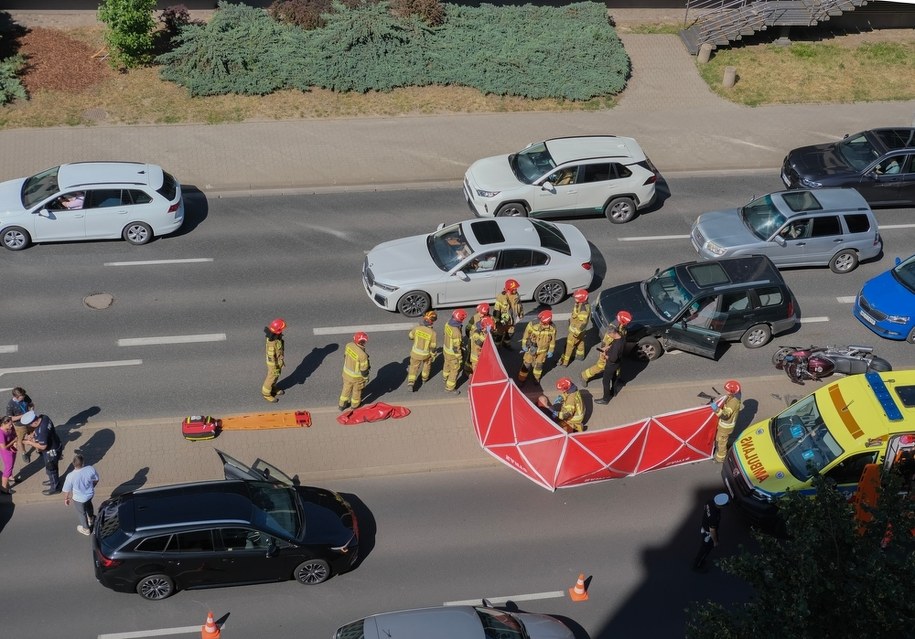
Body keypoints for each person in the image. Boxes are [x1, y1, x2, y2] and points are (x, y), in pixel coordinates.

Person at [581, 310, 631, 388]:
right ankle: (584, 376)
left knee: (618, 366)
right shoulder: (613, 329)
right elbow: (606, 344)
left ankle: (617, 379)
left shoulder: (622, 326)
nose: (628, 324)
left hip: (616, 351)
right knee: (601, 366)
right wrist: (605, 354)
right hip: (608, 351)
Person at [21, 410, 63, 495]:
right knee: (52, 468)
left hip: (51, 451)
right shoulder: (44, 417)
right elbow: (37, 430)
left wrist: (29, 442)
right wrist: (32, 435)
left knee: (51, 469)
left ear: (34, 422)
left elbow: (43, 446)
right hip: (56, 444)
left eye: (30, 425)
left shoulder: (42, 431)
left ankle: (55, 488)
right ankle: (53, 480)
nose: (30, 426)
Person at [62, 453, 99, 535]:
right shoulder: (90, 469)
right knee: (89, 505)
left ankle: (86, 529)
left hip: (78, 499)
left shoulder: (70, 476)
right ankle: (91, 518)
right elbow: (96, 479)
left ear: (73, 464)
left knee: (81, 513)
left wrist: (66, 499)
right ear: (83, 463)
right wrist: (93, 486)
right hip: (89, 495)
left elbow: (66, 490)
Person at [517, 310, 557, 385]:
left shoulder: (552, 328)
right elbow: (526, 335)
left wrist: (551, 350)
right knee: (526, 364)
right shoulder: (533, 324)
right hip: (531, 349)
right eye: (540, 320)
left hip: (542, 351)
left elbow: (552, 341)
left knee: (539, 366)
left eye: (542, 322)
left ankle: (536, 378)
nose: (540, 322)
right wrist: (524, 345)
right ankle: (521, 379)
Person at [693, 493, 729, 571]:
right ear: (720, 505)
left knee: (703, 547)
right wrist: (715, 542)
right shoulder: (714, 516)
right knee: (705, 549)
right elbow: (712, 530)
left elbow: (705, 508)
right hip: (708, 533)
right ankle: (697, 565)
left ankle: (698, 561)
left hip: (704, 526)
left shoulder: (710, 501)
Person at [592, 323, 626, 405]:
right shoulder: (621, 338)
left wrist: (605, 355)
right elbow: (613, 346)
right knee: (614, 377)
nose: (609, 336)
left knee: (605, 381)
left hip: (611, 365)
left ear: (613, 333)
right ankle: (613, 392)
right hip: (618, 364)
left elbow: (613, 358)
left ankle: (605, 399)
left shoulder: (617, 345)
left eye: (609, 334)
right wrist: (607, 348)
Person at [711, 380, 742, 463]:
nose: (726, 391)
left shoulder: (733, 402)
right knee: (719, 441)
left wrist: (716, 409)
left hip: (725, 427)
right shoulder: (733, 397)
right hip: (724, 426)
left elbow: (725, 415)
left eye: (727, 390)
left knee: (721, 443)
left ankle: (720, 458)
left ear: (732, 392)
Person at [558, 289, 591, 366]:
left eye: (576, 297)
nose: (574, 298)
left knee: (569, 347)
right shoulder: (583, 304)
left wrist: (575, 333)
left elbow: (582, 323)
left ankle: (564, 362)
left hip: (575, 332)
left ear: (581, 299)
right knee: (580, 341)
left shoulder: (583, 310)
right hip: (581, 331)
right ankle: (580, 356)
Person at [407, 311, 438, 392]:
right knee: (426, 366)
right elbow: (433, 347)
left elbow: (410, 337)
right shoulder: (432, 333)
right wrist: (433, 354)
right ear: (432, 322)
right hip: (426, 355)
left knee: (413, 367)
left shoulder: (417, 328)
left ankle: (411, 382)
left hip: (415, 353)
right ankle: (424, 379)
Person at [339, 332, 370, 411]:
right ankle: (355, 406)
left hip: (346, 374)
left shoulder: (349, 345)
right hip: (357, 378)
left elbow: (345, 356)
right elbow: (364, 370)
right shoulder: (363, 355)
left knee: (346, 389)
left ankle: (342, 405)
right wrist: (366, 378)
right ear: (363, 341)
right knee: (357, 392)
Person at [262, 318, 287, 403]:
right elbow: (271, 356)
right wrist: (275, 366)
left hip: (277, 361)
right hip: (273, 363)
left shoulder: (276, 337)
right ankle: (266, 394)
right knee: (271, 377)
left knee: (276, 376)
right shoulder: (272, 344)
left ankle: (273, 388)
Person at [494, 279, 523, 349]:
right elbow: (497, 309)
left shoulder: (516, 295)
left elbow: (519, 305)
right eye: (514, 289)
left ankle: (506, 344)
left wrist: (521, 313)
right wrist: (497, 320)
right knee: (500, 334)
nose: (516, 290)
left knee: (510, 333)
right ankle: (497, 346)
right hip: (503, 319)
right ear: (509, 289)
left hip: (512, 319)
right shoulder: (501, 297)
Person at [6, 387, 34, 462]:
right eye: (21, 398)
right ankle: (24, 453)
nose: (23, 398)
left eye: (24, 396)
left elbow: (31, 404)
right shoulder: (10, 405)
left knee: (34, 434)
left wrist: (31, 410)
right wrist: (23, 416)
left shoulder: (25, 396)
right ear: (16, 397)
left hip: (30, 421)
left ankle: (39, 449)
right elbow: (11, 418)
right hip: (20, 425)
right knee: (20, 440)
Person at [442, 309, 467, 394]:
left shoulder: (447, 324)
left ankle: (445, 378)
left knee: (446, 364)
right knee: (454, 370)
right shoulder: (456, 332)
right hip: (453, 355)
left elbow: (445, 334)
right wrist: (459, 358)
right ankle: (450, 388)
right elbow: (456, 348)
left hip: (446, 350)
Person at [0, 417, 16, 494]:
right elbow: (3, 448)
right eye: (9, 425)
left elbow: (13, 434)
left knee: (11, 466)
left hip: (12, 450)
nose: (11, 426)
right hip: (6, 452)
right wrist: (14, 441)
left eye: (11, 424)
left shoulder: (9, 429)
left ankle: (10, 477)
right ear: (3, 424)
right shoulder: (1, 433)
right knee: (8, 468)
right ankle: (3, 488)